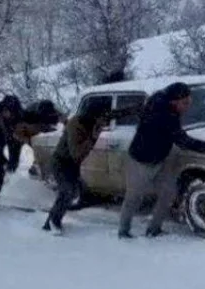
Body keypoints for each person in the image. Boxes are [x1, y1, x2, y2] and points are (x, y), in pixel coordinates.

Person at [118, 82, 205, 239]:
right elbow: (184, 142)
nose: (188, 107)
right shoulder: (163, 115)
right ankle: (123, 232)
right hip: (140, 161)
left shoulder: (163, 103)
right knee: (134, 198)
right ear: (174, 101)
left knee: (168, 193)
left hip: (160, 159)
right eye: (185, 103)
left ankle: (154, 230)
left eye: (190, 102)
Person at [42, 99, 140, 235]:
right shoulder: (75, 126)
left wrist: (135, 108)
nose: (104, 120)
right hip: (61, 162)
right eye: (101, 117)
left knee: (72, 192)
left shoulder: (96, 119)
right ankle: (52, 222)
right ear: (92, 116)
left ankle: (54, 219)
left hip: (73, 164)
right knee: (67, 191)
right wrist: (92, 138)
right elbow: (77, 154)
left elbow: (115, 113)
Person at [4, 99, 66, 174]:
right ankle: (11, 173)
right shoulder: (28, 116)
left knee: (47, 148)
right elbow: (18, 134)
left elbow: (67, 122)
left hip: (41, 130)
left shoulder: (55, 113)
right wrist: (31, 141)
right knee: (14, 157)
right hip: (20, 135)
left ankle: (40, 166)